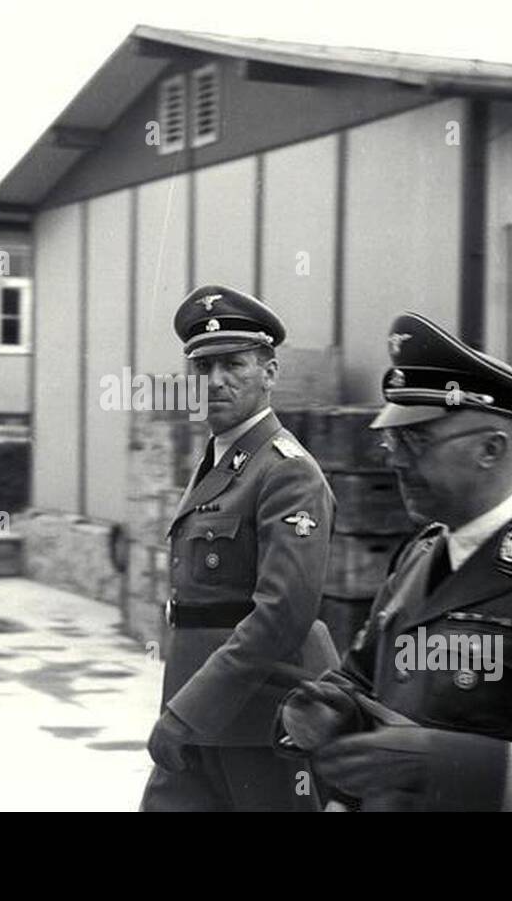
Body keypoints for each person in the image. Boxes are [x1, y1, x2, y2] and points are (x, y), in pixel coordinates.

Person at [275, 312, 512, 811]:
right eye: (393, 440)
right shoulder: (419, 555)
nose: (396, 460)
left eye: (417, 441)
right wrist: (325, 711)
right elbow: (362, 677)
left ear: (491, 449)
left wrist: (447, 762)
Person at [139, 284, 338, 812]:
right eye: (202, 367)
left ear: (270, 372)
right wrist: (184, 708)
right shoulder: (219, 461)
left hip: (261, 721)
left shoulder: (287, 471)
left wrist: (189, 713)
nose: (215, 381)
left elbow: (282, 615)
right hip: (198, 710)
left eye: (234, 364)